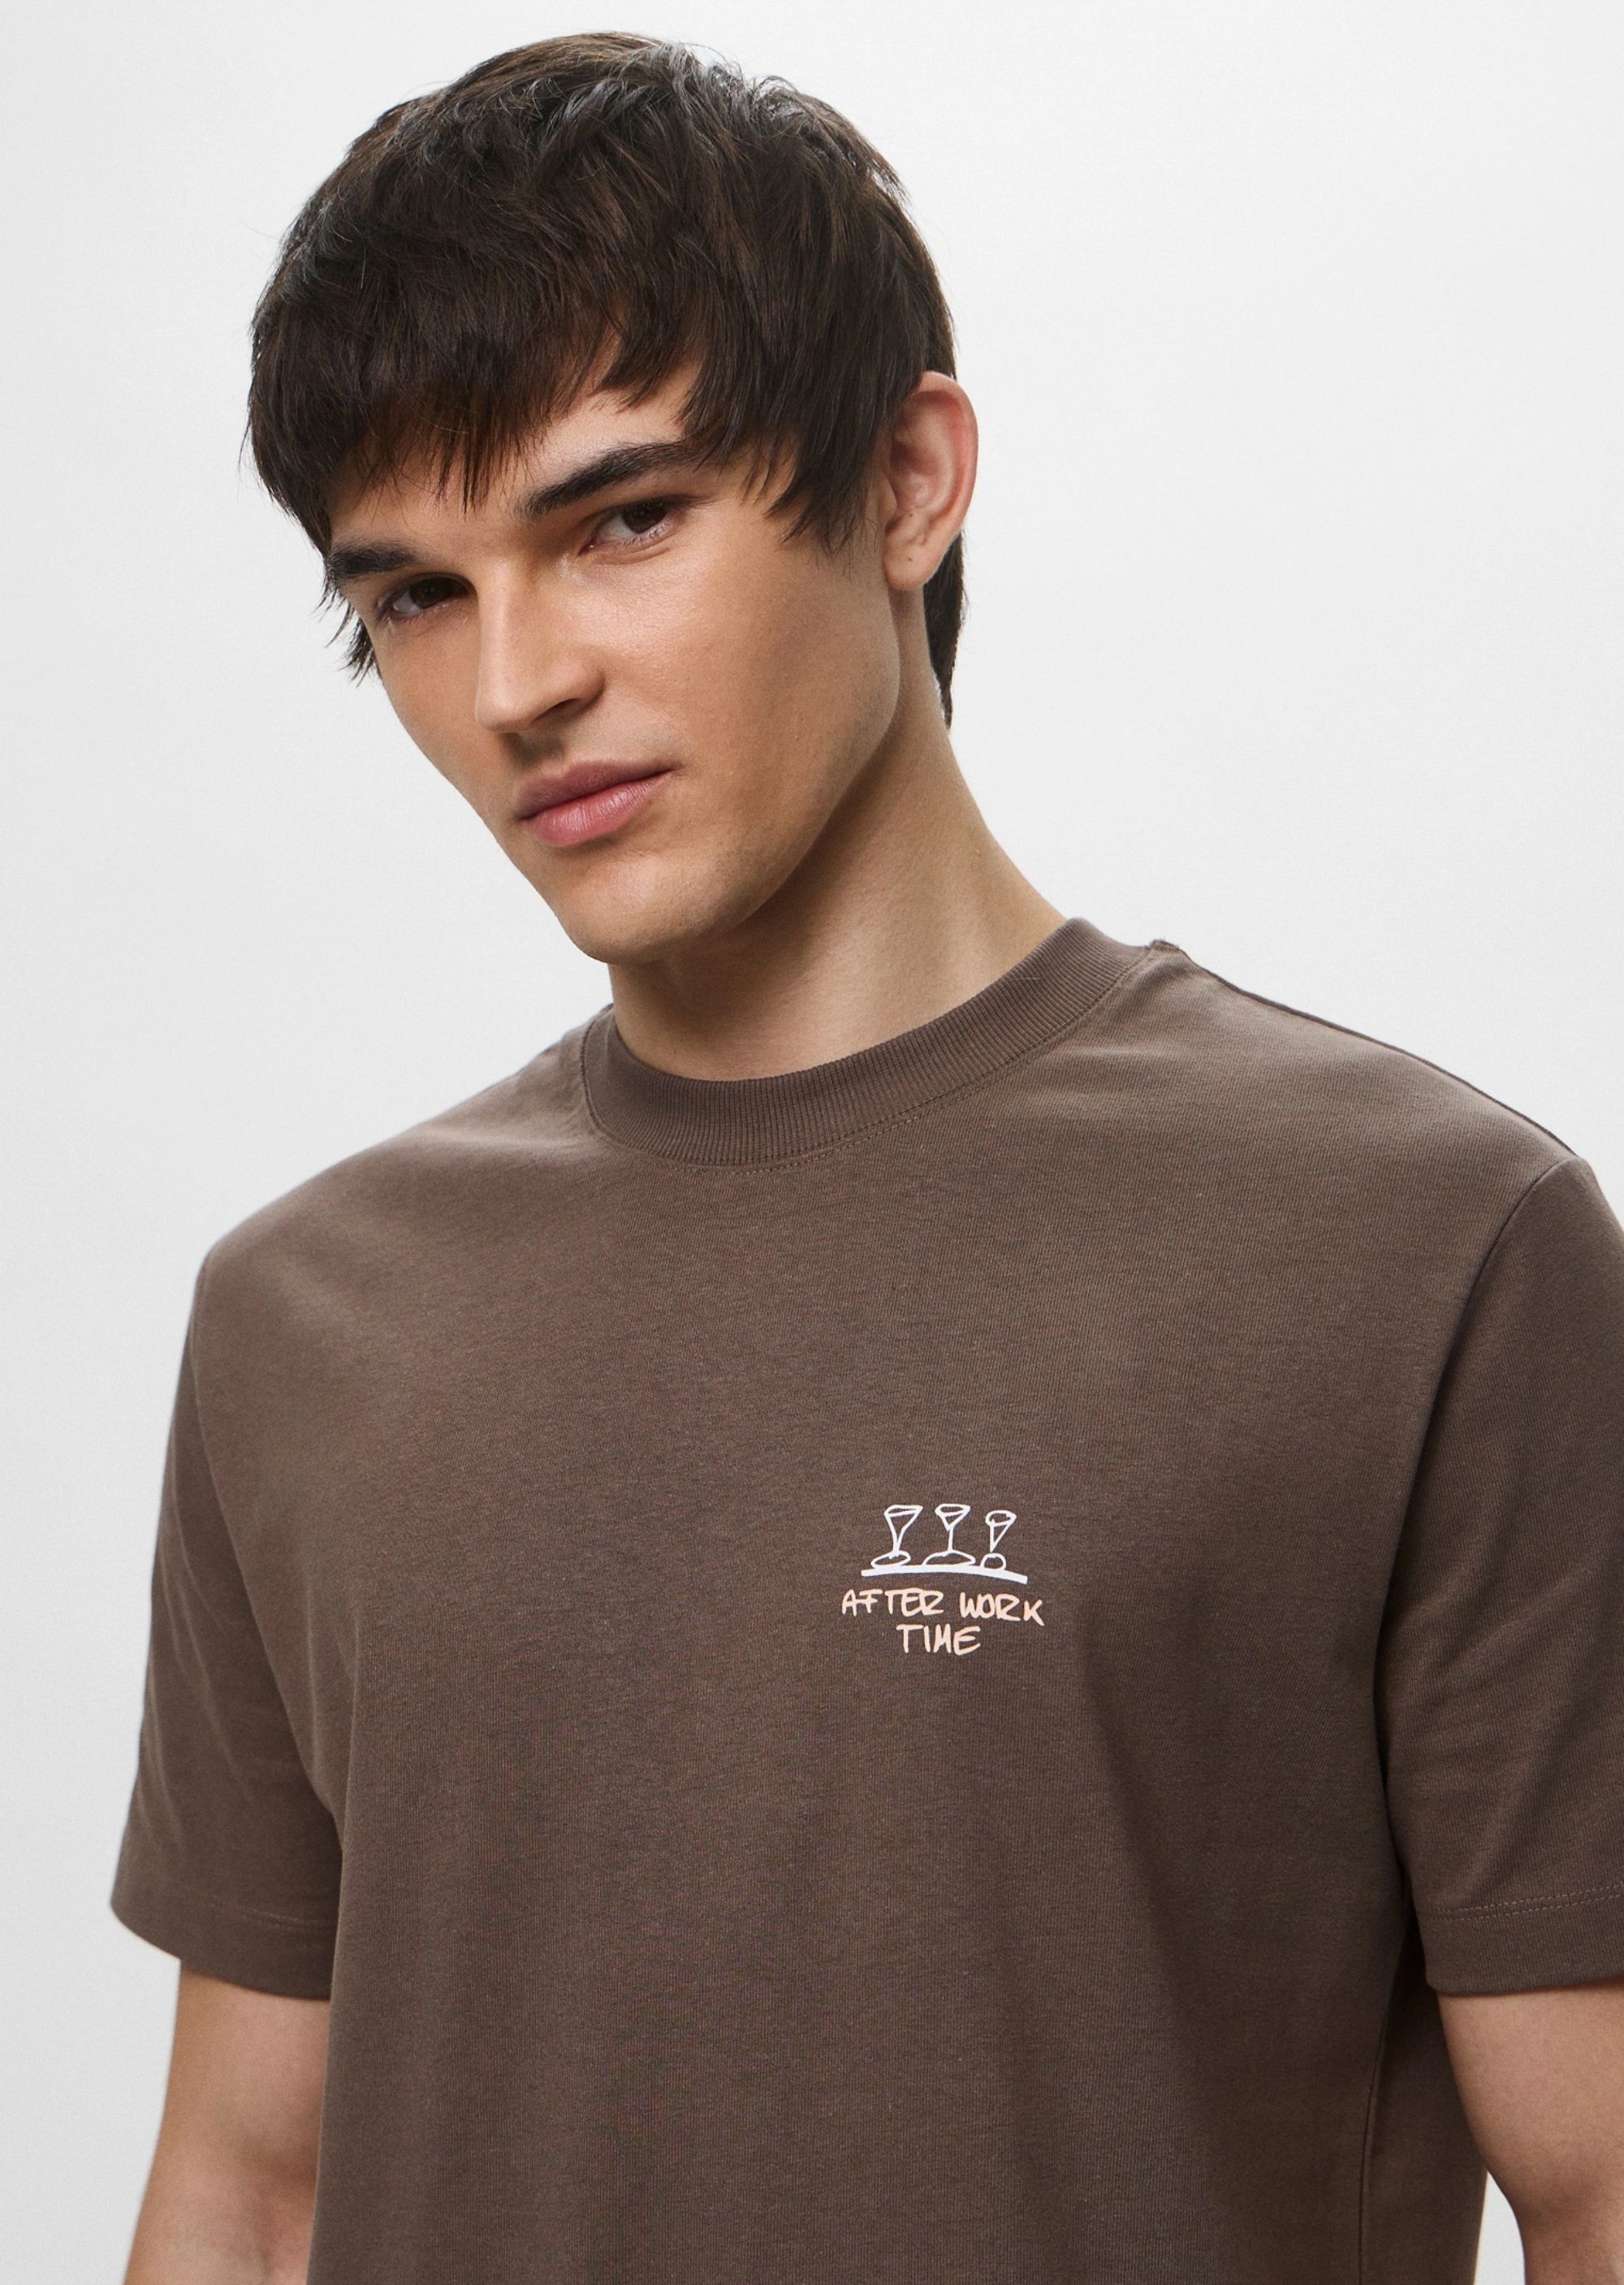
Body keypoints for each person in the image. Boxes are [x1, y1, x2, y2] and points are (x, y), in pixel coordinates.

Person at [110, 33, 1624, 2285]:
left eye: (621, 522)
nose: (516, 683)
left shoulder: (1426, 1250)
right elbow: (252, 2191)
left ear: (909, 483)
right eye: (415, 594)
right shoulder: (303, 1321)